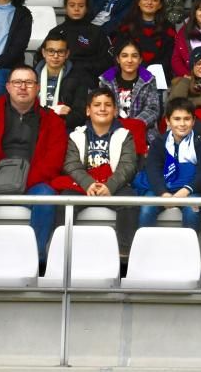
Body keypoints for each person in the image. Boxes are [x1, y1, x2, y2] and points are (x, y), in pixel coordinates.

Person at [0, 66, 66, 255]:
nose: (23, 87)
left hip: (33, 182)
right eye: (17, 82)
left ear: (38, 88)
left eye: (29, 82)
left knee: (47, 199)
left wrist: (25, 182)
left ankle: (35, 260)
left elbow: (54, 159)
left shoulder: (52, 120)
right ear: (8, 87)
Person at [58, 87, 140, 253]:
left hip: (113, 185)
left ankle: (124, 253)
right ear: (88, 111)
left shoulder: (125, 135)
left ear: (115, 110)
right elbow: (71, 164)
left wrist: (110, 186)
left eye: (108, 105)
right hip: (84, 185)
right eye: (97, 105)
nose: (102, 109)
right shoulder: (77, 135)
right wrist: (88, 183)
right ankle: (62, 250)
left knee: (130, 202)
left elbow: (128, 165)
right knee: (64, 201)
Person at [137, 97, 201, 230]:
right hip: (162, 190)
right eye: (177, 119)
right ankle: (146, 249)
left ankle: (188, 250)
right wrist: (164, 194)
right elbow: (153, 171)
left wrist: (185, 191)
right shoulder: (159, 142)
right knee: (147, 209)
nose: (182, 124)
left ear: (193, 121)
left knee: (191, 212)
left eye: (187, 119)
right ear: (167, 121)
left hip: (190, 191)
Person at [99, 38, 161, 143]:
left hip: (143, 132)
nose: (129, 60)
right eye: (124, 55)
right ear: (118, 59)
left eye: (134, 56)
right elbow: (102, 108)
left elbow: (153, 109)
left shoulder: (149, 79)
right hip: (112, 131)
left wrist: (132, 125)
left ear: (140, 59)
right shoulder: (106, 80)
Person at [113, 0, 176, 81]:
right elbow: (118, 52)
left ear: (160, 5)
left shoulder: (168, 29)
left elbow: (168, 58)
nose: (149, 2)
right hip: (128, 69)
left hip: (157, 75)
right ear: (138, 2)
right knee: (106, 78)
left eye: (154, 0)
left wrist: (146, 73)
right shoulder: (126, 25)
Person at [50, 0, 114, 80]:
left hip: (90, 80)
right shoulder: (56, 32)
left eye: (81, 6)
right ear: (65, 7)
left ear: (87, 8)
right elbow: (43, 57)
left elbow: (108, 62)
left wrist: (86, 68)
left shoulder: (97, 32)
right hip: (61, 79)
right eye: (72, 5)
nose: (76, 9)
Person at [35, 31, 91, 131]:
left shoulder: (79, 78)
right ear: (43, 53)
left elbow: (81, 114)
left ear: (67, 54)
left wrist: (68, 116)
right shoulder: (31, 76)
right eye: (51, 51)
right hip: (35, 125)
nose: (55, 56)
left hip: (64, 127)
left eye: (60, 52)